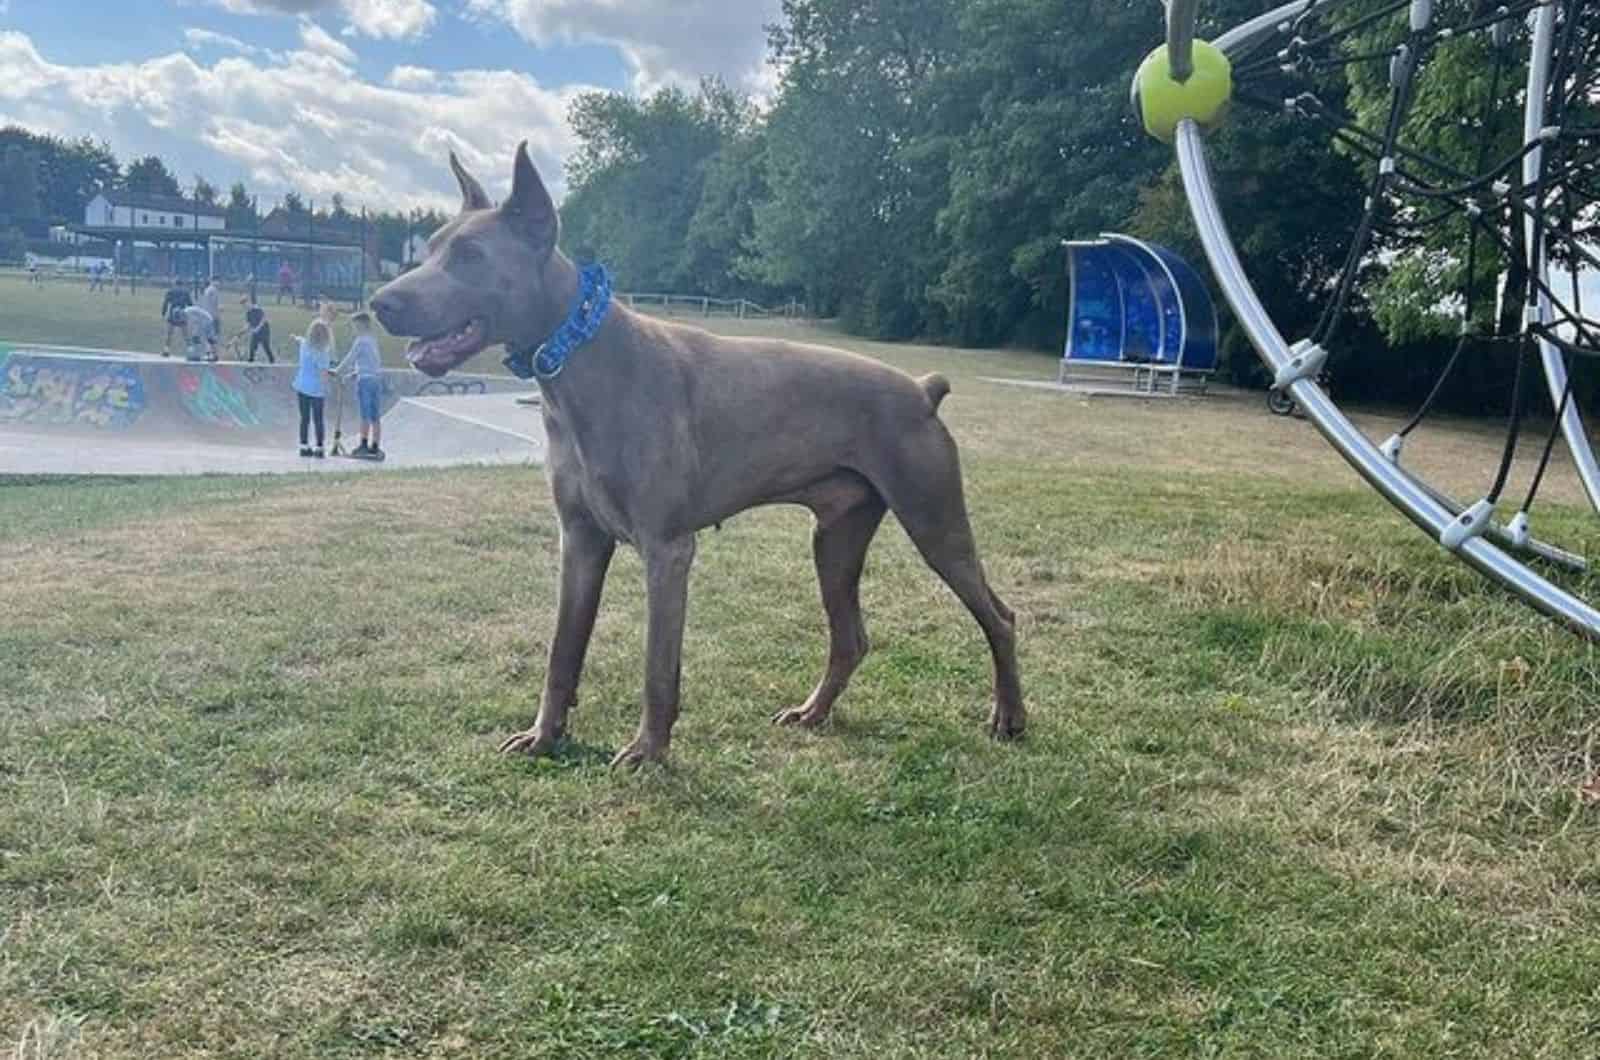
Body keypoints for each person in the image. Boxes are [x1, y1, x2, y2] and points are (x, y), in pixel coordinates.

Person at [334, 311, 385, 459]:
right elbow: (372, 362)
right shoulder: (372, 340)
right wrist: (354, 374)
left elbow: (351, 357)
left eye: (354, 326)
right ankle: (375, 446)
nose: (353, 329)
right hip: (375, 380)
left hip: (365, 382)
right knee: (375, 416)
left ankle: (363, 445)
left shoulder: (360, 341)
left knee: (365, 415)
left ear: (360, 325)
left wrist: (337, 371)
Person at [292, 319, 333, 458]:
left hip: (302, 386)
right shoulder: (322, 352)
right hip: (316, 390)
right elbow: (323, 374)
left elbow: (300, 340)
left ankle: (303, 446)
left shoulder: (304, 345)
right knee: (318, 419)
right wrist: (328, 385)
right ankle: (319, 447)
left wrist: (295, 338)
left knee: (304, 418)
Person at [237, 296, 274, 363]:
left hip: (264, 331)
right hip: (256, 332)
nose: (244, 306)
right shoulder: (248, 313)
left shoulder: (256, 309)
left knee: (266, 347)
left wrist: (258, 328)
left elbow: (264, 319)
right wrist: (241, 332)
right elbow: (248, 324)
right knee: (252, 347)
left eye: (245, 304)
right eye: (243, 305)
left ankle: (272, 361)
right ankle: (251, 362)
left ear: (248, 302)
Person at [160, 280, 193, 356]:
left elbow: (166, 303)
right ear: (182, 284)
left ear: (175, 284)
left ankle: (166, 350)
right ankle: (190, 349)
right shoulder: (186, 292)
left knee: (169, 333)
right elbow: (190, 304)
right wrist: (190, 314)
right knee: (185, 333)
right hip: (182, 313)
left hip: (173, 313)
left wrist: (163, 313)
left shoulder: (171, 291)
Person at [201, 277, 222, 349]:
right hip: (213, 315)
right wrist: (220, 308)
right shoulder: (214, 290)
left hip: (206, 314)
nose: (219, 283)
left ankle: (208, 349)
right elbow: (215, 303)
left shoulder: (207, 290)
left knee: (208, 333)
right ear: (213, 281)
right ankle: (213, 349)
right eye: (218, 281)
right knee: (215, 333)